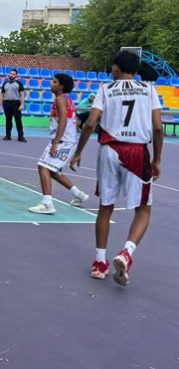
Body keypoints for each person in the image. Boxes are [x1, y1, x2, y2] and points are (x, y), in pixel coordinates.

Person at [71, 51, 163, 287]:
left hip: (109, 150)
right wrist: (157, 159)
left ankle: (99, 263)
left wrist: (79, 151)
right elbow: (158, 128)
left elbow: (91, 123)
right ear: (136, 69)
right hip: (137, 151)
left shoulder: (105, 89)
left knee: (105, 207)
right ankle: (126, 252)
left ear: (115, 68)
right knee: (143, 209)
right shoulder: (149, 90)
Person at [28, 74, 89, 215]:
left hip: (62, 141)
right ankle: (79, 194)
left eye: (54, 82)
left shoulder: (60, 100)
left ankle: (47, 204)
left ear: (61, 86)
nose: (51, 84)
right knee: (52, 170)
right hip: (68, 140)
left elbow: (63, 121)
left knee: (42, 166)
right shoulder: (68, 100)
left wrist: (55, 142)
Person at [0, 68, 27, 142]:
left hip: (16, 104)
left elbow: (22, 95)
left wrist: (22, 105)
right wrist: (0, 106)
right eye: (11, 73)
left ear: (16, 76)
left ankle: (20, 137)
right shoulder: (5, 84)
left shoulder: (19, 84)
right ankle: (8, 136)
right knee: (8, 120)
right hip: (6, 104)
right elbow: (2, 95)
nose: (12, 75)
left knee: (18, 121)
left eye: (13, 74)